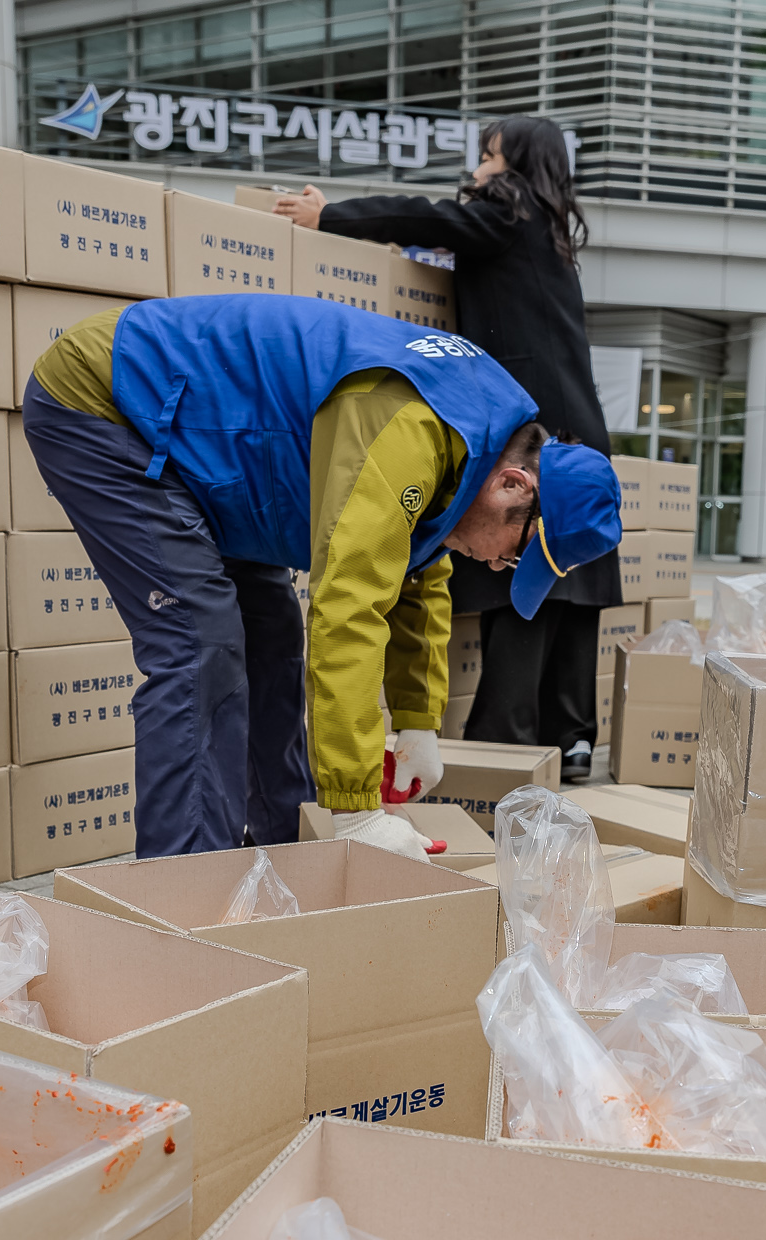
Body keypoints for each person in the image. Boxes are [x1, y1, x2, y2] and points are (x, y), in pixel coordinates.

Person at [21, 294, 621, 860]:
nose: (495, 566)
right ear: (514, 486)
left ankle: (289, 845)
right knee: (201, 641)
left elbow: (417, 572)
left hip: (227, 463)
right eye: (515, 554)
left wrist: (417, 721)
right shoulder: (414, 428)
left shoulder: (481, 434)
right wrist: (357, 809)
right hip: (113, 402)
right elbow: (349, 610)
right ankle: (187, 885)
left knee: (273, 638)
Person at [273, 117, 617, 784]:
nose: (481, 169)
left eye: (489, 156)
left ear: (515, 164)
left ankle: (502, 748)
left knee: (514, 585)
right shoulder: (552, 237)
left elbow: (428, 218)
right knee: (566, 594)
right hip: (578, 433)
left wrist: (331, 215)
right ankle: (572, 739)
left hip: (526, 435)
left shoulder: (506, 211)